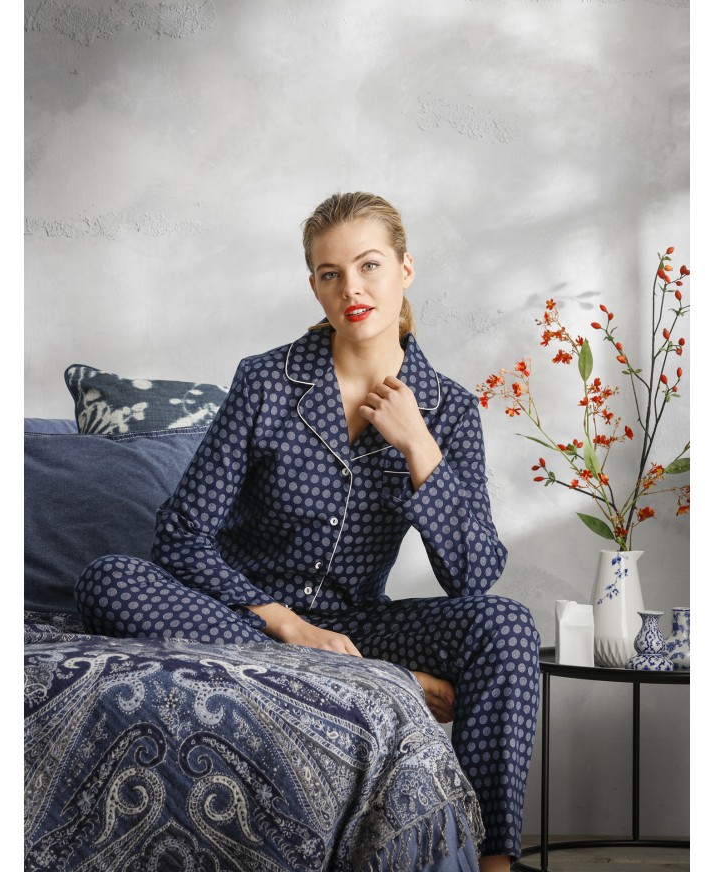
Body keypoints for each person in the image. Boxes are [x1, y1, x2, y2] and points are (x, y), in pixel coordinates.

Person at [75, 191, 540, 871]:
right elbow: (180, 535)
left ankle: (494, 863)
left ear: (405, 269)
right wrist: (284, 623)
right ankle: (381, 680)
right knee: (109, 579)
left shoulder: (448, 409)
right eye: (331, 273)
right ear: (315, 286)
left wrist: (419, 446)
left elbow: (472, 576)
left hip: (357, 624)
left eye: (369, 265)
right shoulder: (267, 382)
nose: (352, 288)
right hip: (241, 611)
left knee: (506, 625)